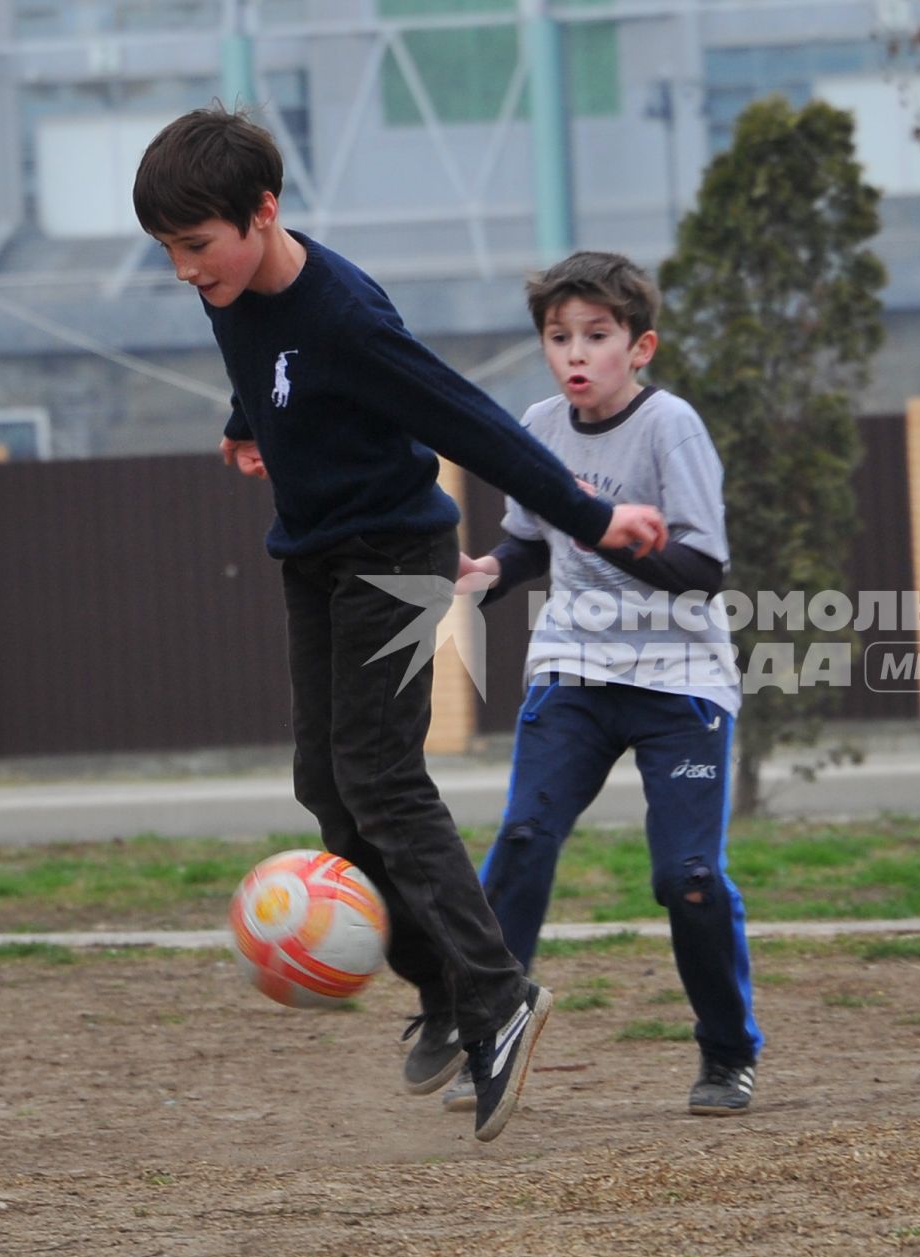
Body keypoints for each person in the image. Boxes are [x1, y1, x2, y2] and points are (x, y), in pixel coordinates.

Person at [131, 107, 670, 1143]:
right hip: (314, 552)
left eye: (196, 248)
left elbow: (471, 423)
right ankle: (440, 982)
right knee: (325, 785)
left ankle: (497, 994)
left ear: (264, 213)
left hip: (393, 557)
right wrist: (251, 420)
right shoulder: (230, 283)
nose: (185, 272)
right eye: (168, 253)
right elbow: (260, 358)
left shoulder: (347, 319)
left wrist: (594, 514)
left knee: (380, 776)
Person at [438, 250, 761, 1117]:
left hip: (680, 681)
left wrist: (615, 536)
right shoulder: (539, 425)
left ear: (640, 345)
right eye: (558, 337)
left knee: (688, 878)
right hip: (574, 669)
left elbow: (701, 574)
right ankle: (490, 1030)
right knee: (527, 835)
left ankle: (727, 1052)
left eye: (597, 335)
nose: (575, 353)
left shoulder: (671, 429)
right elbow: (534, 541)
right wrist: (487, 574)